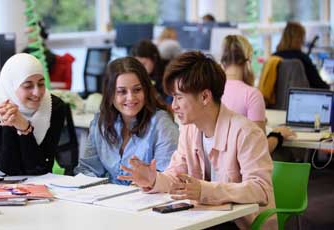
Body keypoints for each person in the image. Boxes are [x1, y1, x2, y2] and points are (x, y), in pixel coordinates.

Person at [118, 51, 276, 229]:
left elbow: (261, 190)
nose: (174, 105)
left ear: (205, 97)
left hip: (240, 224)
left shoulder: (246, 133)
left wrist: (205, 190)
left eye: (179, 97)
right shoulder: (189, 130)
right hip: (203, 219)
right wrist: (153, 180)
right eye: (173, 97)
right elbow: (176, 177)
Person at [74, 57, 179, 185]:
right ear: (110, 94)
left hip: (146, 199)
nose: (130, 97)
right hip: (108, 200)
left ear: (146, 90)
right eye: (121, 91)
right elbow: (87, 169)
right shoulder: (101, 122)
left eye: (137, 90)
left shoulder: (161, 124)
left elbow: (168, 177)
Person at [0, 53, 67, 175]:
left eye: (41, 84)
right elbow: (7, 167)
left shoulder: (55, 107)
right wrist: (10, 124)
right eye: (28, 86)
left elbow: (40, 167)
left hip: (40, 182)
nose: (37, 93)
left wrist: (24, 128)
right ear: (11, 85)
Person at [220, 35, 295, 153]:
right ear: (248, 58)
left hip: (216, 168)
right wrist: (277, 135)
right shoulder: (251, 95)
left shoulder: (212, 90)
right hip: (243, 168)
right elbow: (259, 151)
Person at [273, 21, 329, 89]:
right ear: (300, 39)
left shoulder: (274, 58)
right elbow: (320, 85)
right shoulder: (302, 59)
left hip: (278, 99)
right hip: (300, 98)